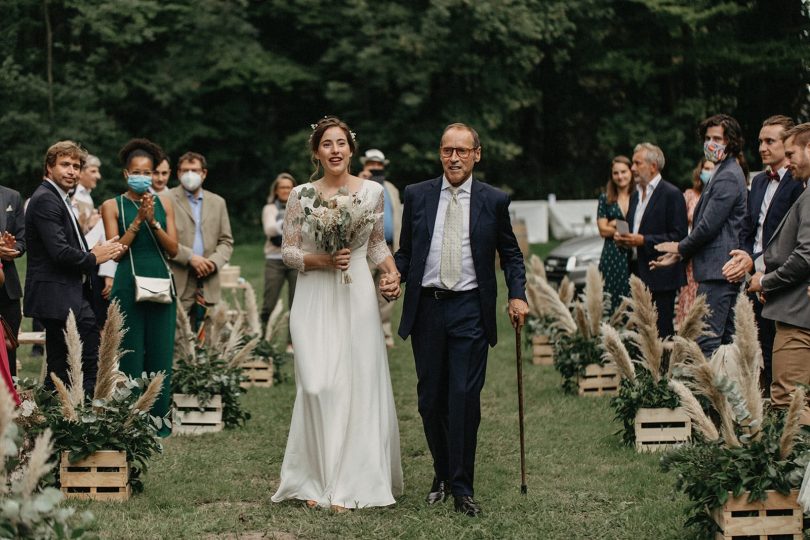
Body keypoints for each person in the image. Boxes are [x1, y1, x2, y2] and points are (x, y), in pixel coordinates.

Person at [392, 122, 528, 517]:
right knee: (430, 401)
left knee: (464, 399)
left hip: (470, 308)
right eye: (448, 150)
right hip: (428, 309)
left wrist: (517, 294)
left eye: (462, 151)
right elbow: (406, 252)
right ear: (440, 154)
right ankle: (442, 473)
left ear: (477, 154)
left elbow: (512, 255)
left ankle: (463, 487)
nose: (454, 158)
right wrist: (393, 275)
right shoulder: (417, 195)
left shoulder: (494, 200)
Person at [272, 116, 403, 510]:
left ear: (351, 149)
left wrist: (392, 274)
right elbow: (288, 251)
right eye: (327, 144)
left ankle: (350, 482)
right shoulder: (301, 194)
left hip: (357, 294)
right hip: (314, 294)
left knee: (356, 384)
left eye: (341, 144)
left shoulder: (373, 192)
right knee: (316, 384)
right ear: (317, 152)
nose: (335, 150)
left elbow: (377, 245)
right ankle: (314, 479)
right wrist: (321, 260)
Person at [25, 141, 124, 393]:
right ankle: (81, 421)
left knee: (60, 369)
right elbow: (59, 253)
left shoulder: (60, 197)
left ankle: (52, 421)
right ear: (49, 168)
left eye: (76, 166)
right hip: (58, 296)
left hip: (68, 294)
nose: (72, 171)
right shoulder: (47, 199)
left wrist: (104, 249)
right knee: (85, 364)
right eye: (65, 165)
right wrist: (94, 257)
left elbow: (71, 245)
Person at [101, 138, 178, 435]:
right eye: (137, 172)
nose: (143, 177)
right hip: (127, 282)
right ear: (125, 173)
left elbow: (173, 249)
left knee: (160, 352)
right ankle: (130, 420)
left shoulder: (165, 203)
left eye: (148, 172)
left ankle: (159, 421)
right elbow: (115, 251)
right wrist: (136, 223)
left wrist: (154, 223)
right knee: (130, 351)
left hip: (160, 281)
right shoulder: (112, 205)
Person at [653, 115, 749, 355]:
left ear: (732, 142)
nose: (710, 143)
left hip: (719, 271)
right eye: (707, 138)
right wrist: (680, 255)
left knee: (707, 342)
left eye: (717, 138)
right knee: (724, 341)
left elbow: (708, 226)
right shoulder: (721, 170)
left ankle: (709, 392)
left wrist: (680, 247)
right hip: (715, 269)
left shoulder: (728, 174)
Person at [723, 115, 803, 394]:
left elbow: (793, 240)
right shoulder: (757, 182)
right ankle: (766, 400)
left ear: (788, 144)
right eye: (760, 141)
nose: (762, 148)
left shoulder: (798, 183)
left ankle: (780, 402)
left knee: (779, 345)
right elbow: (748, 227)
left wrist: (759, 262)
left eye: (770, 141)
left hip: (780, 276)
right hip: (752, 275)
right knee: (757, 344)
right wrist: (743, 258)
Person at [747, 122, 810, 421]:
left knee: (788, 402)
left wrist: (766, 281)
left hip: (798, 313)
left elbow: (805, 254)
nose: (788, 160)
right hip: (792, 307)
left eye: (792, 153)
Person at [615, 143, 687, 338]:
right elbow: (634, 228)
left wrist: (643, 240)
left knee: (661, 333)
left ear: (653, 166)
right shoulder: (636, 195)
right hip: (637, 272)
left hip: (660, 274)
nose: (632, 168)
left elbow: (678, 236)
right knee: (641, 333)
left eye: (637, 163)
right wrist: (623, 238)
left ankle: (663, 369)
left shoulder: (671, 194)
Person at [167, 152, 233, 328]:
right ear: (178, 173)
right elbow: (163, 240)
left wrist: (212, 262)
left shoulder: (218, 202)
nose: (190, 175)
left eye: (194, 170)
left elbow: (226, 241)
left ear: (204, 173)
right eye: (185, 170)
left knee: (209, 336)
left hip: (208, 279)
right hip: (179, 276)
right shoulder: (166, 199)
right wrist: (190, 258)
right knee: (178, 334)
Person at [359, 149, 402, 348]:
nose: (376, 168)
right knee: (363, 291)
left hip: (390, 247)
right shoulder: (357, 184)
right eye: (372, 165)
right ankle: (363, 331)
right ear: (365, 165)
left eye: (379, 165)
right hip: (365, 249)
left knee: (386, 290)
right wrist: (361, 182)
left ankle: (384, 330)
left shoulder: (391, 188)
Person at [675, 158, 714, 326]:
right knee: (689, 293)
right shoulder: (690, 195)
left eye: (712, 169)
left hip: (710, 254)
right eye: (706, 168)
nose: (708, 172)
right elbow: (680, 224)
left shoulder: (717, 196)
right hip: (691, 253)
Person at [261, 173, 297, 341]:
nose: (285, 190)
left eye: (288, 187)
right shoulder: (270, 208)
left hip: (295, 260)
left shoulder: (300, 206)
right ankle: (263, 340)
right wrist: (289, 226)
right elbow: (269, 230)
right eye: (282, 187)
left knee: (296, 305)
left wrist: (281, 228)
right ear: (276, 190)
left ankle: (292, 342)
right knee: (269, 303)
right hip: (274, 261)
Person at [596, 155, 634, 314]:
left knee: (633, 298)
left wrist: (615, 223)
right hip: (612, 255)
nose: (620, 176)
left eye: (624, 172)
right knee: (610, 300)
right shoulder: (605, 198)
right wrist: (624, 227)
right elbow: (602, 230)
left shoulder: (639, 196)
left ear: (631, 171)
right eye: (616, 173)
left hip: (634, 254)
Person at [0, 180, 26, 378]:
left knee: (9, 350)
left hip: (7, 290)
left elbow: (22, 239)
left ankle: (9, 405)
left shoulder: (12, 196)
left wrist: (12, 250)